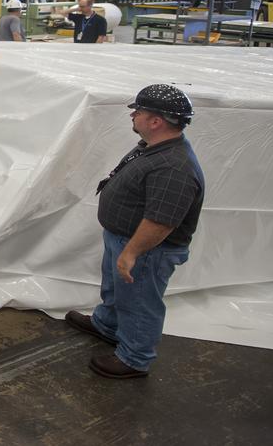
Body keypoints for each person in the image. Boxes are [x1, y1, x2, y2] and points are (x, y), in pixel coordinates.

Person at [66, 84, 204, 379]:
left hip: (147, 250)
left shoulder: (173, 167)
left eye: (138, 111)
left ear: (156, 121)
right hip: (126, 240)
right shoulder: (155, 147)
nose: (133, 115)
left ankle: (134, 357)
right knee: (116, 292)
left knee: (139, 303)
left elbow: (161, 221)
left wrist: (131, 253)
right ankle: (108, 326)